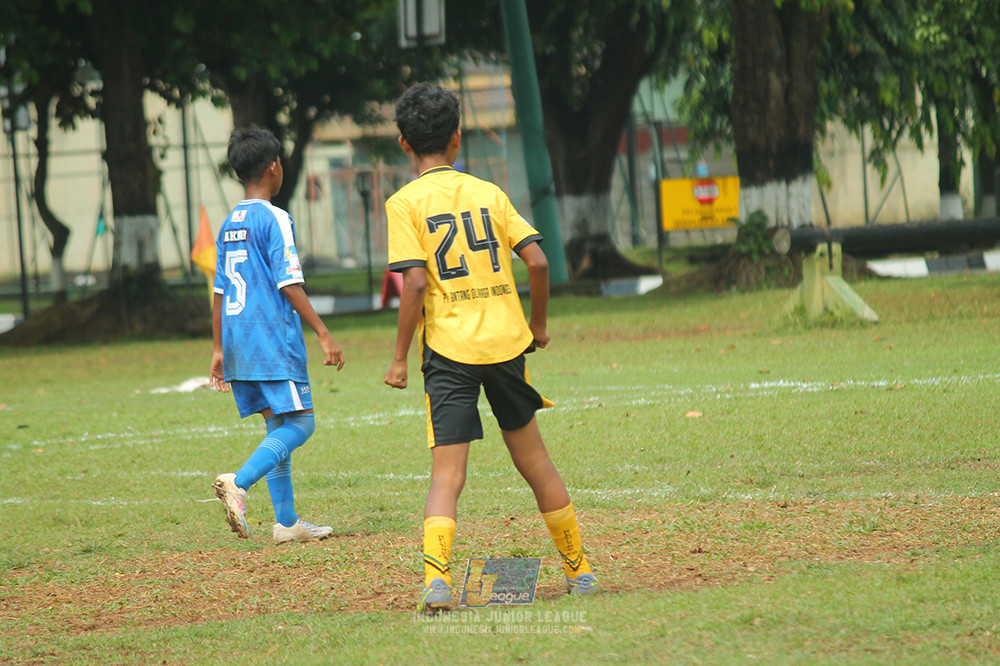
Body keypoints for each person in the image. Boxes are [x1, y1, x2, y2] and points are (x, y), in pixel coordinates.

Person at [383, 82, 597, 611]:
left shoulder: (403, 203)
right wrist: (537, 326)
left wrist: (398, 357)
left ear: (404, 144)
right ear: (457, 138)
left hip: (450, 352)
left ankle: (437, 582)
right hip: (506, 345)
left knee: (447, 474)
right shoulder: (489, 193)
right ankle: (581, 572)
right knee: (536, 462)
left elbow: (414, 283)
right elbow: (538, 262)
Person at [209, 126, 345, 544]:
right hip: (271, 341)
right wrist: (323, 332)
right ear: (273, 167)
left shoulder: (229, 222)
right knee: (302, 423)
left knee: (278, 424)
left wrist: (218, 348)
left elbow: (219, 290)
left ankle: (286, 523)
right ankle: (240, 482)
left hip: (237, 340)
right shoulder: (275, 218)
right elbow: (289, 282)